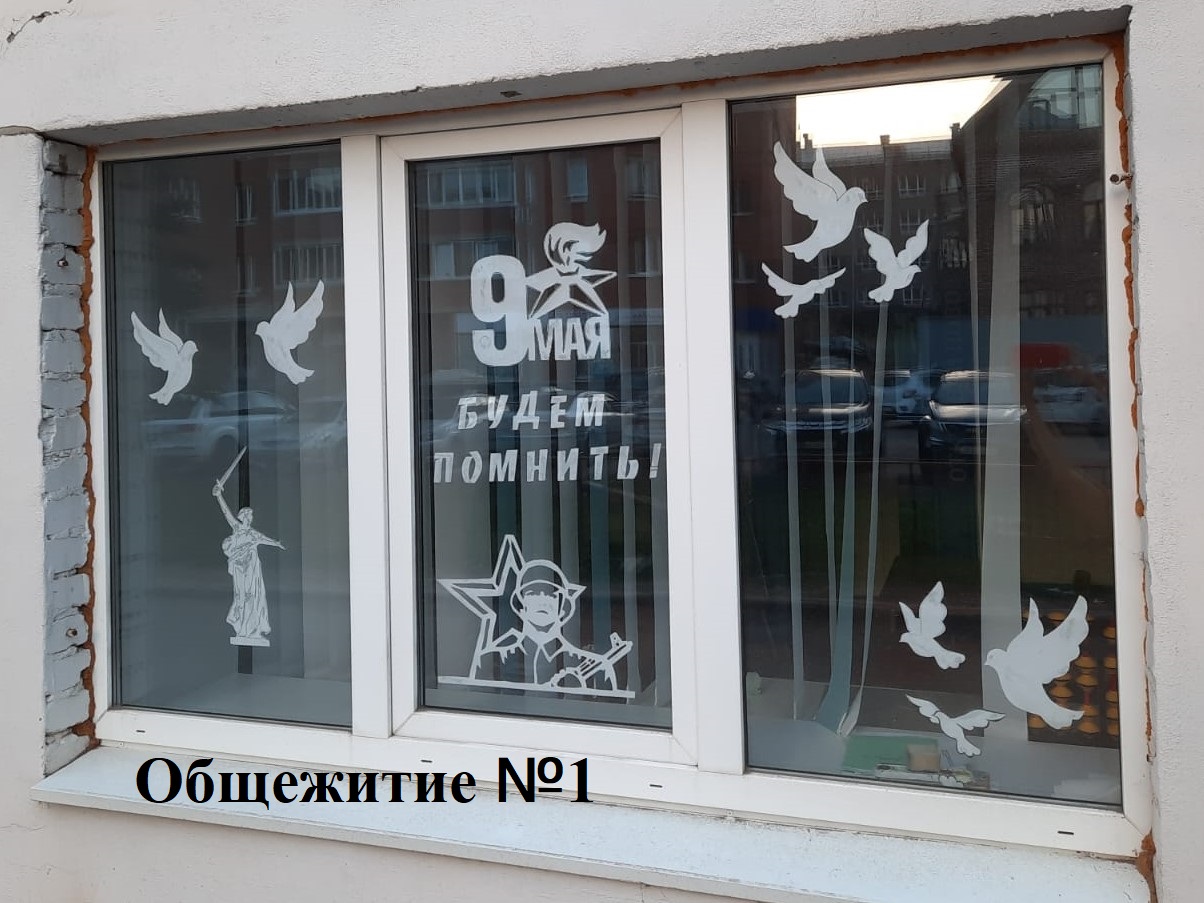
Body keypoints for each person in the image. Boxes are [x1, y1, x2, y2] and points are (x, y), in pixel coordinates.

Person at [473, 559, 621, 691]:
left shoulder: (598, 665)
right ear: (520, 608)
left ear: (562, 609)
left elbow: (609, 708)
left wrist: (578, 690)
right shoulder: (494, 659)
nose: (542, 599)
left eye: (552, 594)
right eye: (532, 593)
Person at [213, 481, 284, 646]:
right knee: (241, 596)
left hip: (252, 569)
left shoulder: (253, 534)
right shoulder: (237, 528)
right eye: (249, 516)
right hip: (240, 568)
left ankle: (252, 630)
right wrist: (218, 495)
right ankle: (242, 628)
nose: (251, 518)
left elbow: (265, 539)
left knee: (254, 596)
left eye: (251, 516)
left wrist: (277, 543)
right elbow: (226, 512)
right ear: (243, 517)